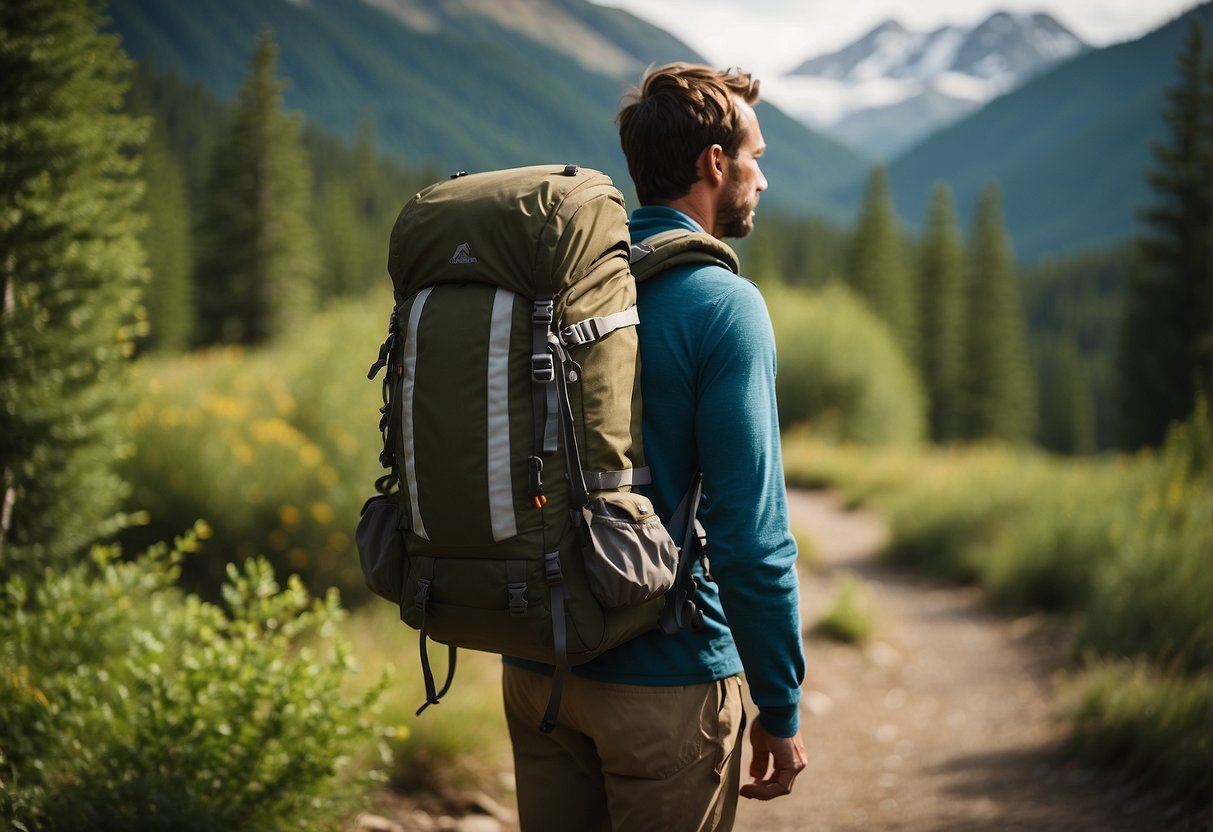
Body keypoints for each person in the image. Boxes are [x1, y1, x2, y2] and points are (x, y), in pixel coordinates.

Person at [502, 62, 806, 832]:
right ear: (714, 163)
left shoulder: (558, 291)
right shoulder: (722, 305)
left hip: (539, 670)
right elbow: (751, 537)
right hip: (664, 682)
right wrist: (779, 700)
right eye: (756, 159)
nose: (761, 181)